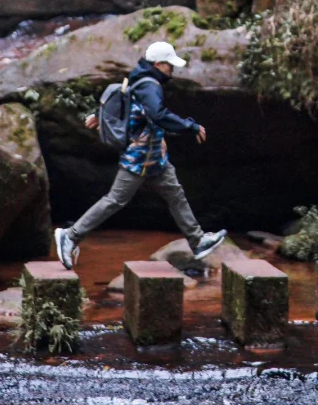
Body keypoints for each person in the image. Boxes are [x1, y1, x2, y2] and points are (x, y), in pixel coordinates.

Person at [54, 39, 227, 269]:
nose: (172, 70)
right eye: (169, 65)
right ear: (158, 64)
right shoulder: (149, 85)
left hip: (155, 157)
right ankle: (71, 235)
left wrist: (101, 114)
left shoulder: (140, 78)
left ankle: (197, 241)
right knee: (115, 200)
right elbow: (158, 114)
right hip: (140, 158)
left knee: (175, 195)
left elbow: (129, 105)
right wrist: (190, 126)